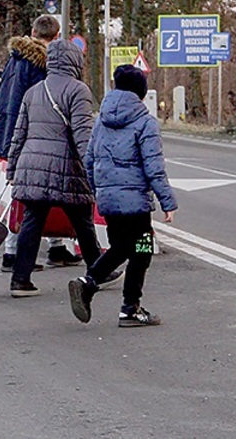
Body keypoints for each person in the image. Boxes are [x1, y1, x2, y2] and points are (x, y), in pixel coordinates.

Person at [69, 65, 176, 327]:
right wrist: (167, 202)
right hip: (135, 203)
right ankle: (110, 295)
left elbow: (90, 159)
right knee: (141, 248)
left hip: (109, 200)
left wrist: (99, 191)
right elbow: (153, 166)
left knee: (122, 246)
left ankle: (117, 299)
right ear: (141, 92)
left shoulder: (102, 120)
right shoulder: (145, 122)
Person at [5, 38, 112, 297]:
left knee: (32, 221)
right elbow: (83, 136)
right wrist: (93, 170)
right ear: (75, 61)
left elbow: (19, 133)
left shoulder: (34, 91)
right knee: (82, 220)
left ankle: (20, 279)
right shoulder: (78, 91)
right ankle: (98, 271)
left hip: (33, 165)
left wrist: (12, 168)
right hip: (65, 166)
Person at [0, 16, 81, 271]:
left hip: (12, 132)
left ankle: (51, 246)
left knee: (28, 194)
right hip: (36, 136)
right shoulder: (45, 64)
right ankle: (15, 252)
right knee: (42, 193)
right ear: (58, 35)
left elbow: (6, 100)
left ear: (32, 32)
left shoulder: (15, 59)